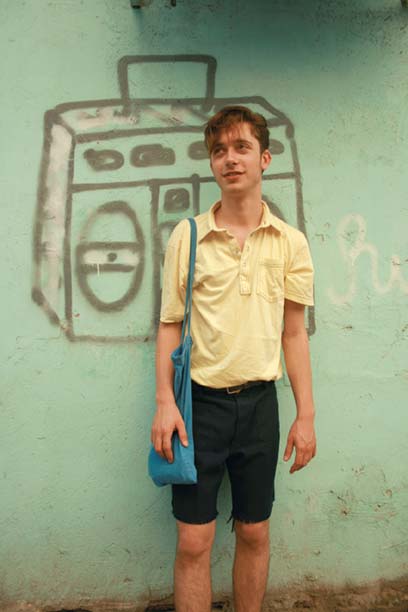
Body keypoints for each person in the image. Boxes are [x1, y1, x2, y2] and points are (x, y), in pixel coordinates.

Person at [151, 105, 316, 612]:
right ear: (212, 163)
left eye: (242, 147)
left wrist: (306, 415)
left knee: (254, 532)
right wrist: (165, 402)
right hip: (199, 408)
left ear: (264, 158)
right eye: (219, 150)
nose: (230, 159)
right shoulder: (189, 236)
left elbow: (294, 334)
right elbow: (169, 324)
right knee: (193, 541)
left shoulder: (290, 243)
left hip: (260, 406)